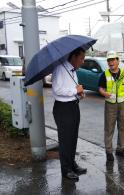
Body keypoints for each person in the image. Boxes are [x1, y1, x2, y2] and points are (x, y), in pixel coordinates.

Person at [51, 47, 87, 182]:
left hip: (73, 106)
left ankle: (72, 165)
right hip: (63, 109)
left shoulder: (72, 70)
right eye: (81, 58)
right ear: (74, 57)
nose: (83, 61)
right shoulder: (60, 68)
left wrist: (79, 94)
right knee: (65, 141)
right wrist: (74, 90)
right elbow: (57, 89)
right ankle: (66, 170)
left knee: (73, 138)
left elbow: (73, 88)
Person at [98, 51, 124, 162]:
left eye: (113, 60)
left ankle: (120, 149)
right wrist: (104, 93)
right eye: (109, 60)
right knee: (109, 129)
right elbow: (100, 88)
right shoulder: (105, 74)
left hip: (123, 103)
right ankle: (109, 152)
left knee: (122, 127)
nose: (111, 62)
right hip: (110, 104)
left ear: (118, 61)